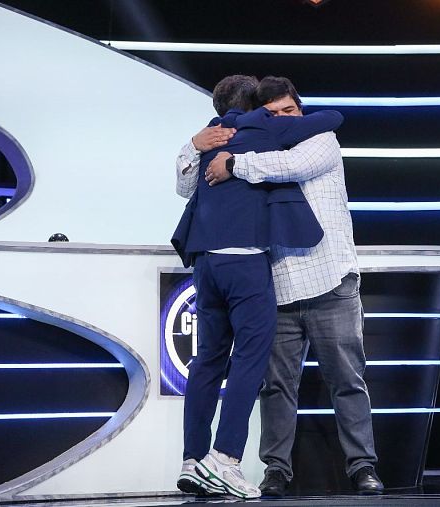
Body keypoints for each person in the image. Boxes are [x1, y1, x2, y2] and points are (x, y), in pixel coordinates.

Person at [199, 76, 384, 496]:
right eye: (274, 114)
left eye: (290, 111)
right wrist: (206, 148)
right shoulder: (256, 144)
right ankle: (276, 471)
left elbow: (293, 166)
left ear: (301, 110)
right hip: (277, 287)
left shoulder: (322, 139)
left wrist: (233, 164)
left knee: (348, 380)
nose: (283, 120)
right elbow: (196, 179)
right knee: (276, 388)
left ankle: (363, 467)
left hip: (331, 281)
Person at [173, 74, 343, 499]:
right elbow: (333, 117)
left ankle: (192, 460)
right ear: (258, 106)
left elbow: (182, 189)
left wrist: (195, 143)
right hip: (245, 263)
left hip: (204, 265)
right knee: (250, 360)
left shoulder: (207, 140)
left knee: (208, 361)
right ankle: (225, 459)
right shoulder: (261, 126)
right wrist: (271, 118)